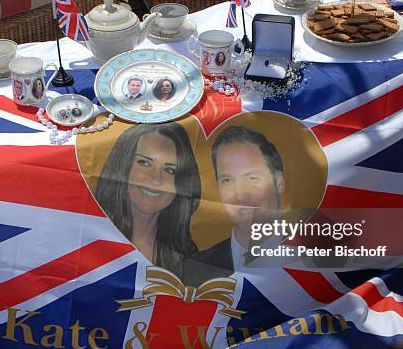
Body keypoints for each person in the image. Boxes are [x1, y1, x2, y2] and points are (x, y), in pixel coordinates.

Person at [94, 122, 201, 277]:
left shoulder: (189, 258)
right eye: (144, 163)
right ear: (122, 166)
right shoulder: (86, 238)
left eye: (170, 170)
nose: (156, 180)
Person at [183, 125, 285, 285]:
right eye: (227, 180)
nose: (241, 195)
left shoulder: (320, 256)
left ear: (279, 182)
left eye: (252, 178)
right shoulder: (192, 271)